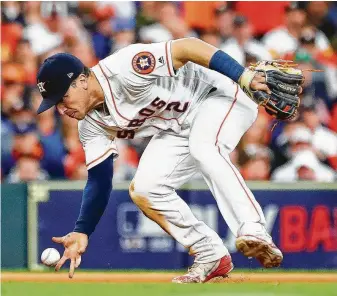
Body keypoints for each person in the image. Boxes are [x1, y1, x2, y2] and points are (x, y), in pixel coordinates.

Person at [36, 37, 283, 283]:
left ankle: (254, 229)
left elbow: (188, 47)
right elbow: (100, 180)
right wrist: (82, 231)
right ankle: (210, 254)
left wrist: (243, 76)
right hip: (178, 125)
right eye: (54, 103)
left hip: (221, 94)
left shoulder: (125, 68)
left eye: (62, 98)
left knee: (204, 147)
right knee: (145, 189)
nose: (60, 109)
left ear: (81, 80)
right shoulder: (90, 126)